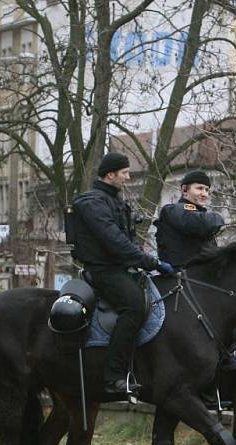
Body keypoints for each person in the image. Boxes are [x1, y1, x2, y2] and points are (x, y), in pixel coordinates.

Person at [71, 152, 173, 396]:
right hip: (103, 271)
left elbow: (127, 241)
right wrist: (151, 262)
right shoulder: (92, 203)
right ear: (110, 174)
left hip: (121, 268)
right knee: (135, 305)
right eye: (125, 173)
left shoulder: (114, 200)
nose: (128, 177)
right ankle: (114, 376)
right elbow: (114, 241)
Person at [154, 170, 224, 267]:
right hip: (183, 275)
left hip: (199, 274)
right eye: (200, 188)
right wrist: (218, 217)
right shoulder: (174, 210)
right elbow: (202, 224)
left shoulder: (197, 213)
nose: (204, 194)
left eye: (207, 190)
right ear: (185, 190)